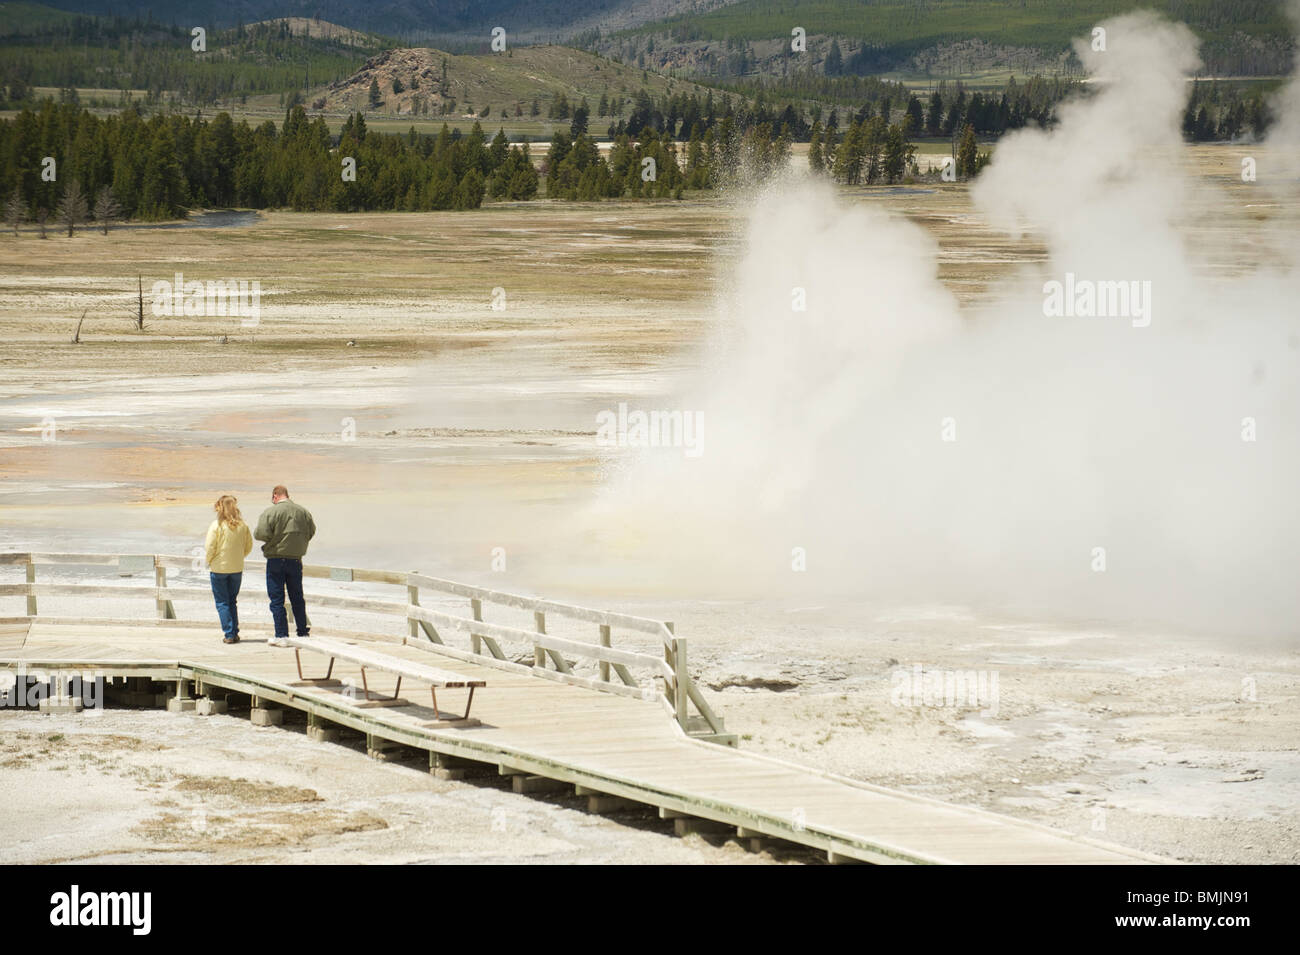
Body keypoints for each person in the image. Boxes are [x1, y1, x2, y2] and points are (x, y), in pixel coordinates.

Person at [254, 484, 316, 647]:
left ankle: (281, 635)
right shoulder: (303, 512)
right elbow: (311, 531)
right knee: (297, 596)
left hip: (276, 559)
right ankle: (302, 632)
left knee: (277, 598)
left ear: (275, 496)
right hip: (295, 559)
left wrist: (276, 539)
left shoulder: (270, 512)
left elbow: (260, 533)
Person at [205, 494, 254, 644]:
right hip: (236, 568)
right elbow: (248, 546)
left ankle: (229, 633)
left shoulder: (217, 525)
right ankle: (234, 631)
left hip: (219, 568)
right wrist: (239, 557)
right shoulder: (243, 526)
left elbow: (210, 547)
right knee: (232, 601)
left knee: (222, 602)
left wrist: (209, 561)